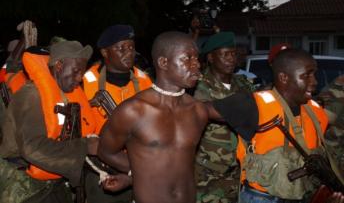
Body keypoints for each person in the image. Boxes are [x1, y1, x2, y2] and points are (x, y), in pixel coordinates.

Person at [98, 31, 257, 203]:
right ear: (163, 62)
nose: (195, 65)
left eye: (197, 58)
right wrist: (136, 174)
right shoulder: (134, 111)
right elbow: (106, 151)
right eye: (187, 59)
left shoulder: (197, 110)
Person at [214, 48, 343, 202]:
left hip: (302, 194)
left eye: (314, 74)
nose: (315, 82)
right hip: (262, 197)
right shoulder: (256, 104)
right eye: (306, 76)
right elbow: (199, 111)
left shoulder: (316, 112)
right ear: (283, 77)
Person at [0, 40, 99, 203]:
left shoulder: (64, 94)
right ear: (59, 65)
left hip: (55, 184)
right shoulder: (32, 96)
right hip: (25, 189)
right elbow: (33, 147)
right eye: (75, 71)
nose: (80, 78)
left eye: (82, 72)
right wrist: (85, 146)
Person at [83, 24, 152, 203]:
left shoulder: (145, 82)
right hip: (102, 170)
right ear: (105, 53)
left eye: (131, 47)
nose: (128, 52)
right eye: (121, 48)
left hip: (140, 167)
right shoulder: (85, 83)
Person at [194, 31, 256, 203]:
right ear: (211, 58)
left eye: (233, 54)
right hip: (207, 171)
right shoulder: (197, 86)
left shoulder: (244, 84)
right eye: (225, 54)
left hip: (240, 169)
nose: (231, 58)